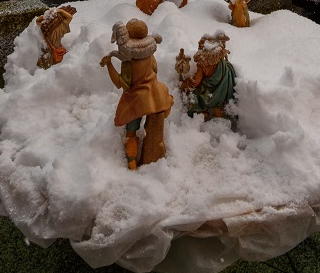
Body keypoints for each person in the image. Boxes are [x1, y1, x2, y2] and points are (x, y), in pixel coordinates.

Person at [100, 19, 174, 169]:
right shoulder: (150, 55)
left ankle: (132, 162)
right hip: (157, 95)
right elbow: (155, 71)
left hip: (137, 101)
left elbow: (123, 84)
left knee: (131, 132)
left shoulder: (128, 61)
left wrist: (109, 65)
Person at [176, 32, 236, 120]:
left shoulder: (202, 64)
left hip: (211, 94)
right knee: (218, 106)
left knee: (196, 95)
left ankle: (200, 112)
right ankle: (218, 111)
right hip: (224, 90)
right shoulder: (220, 61)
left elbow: (195, 82)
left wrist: (187, 81)